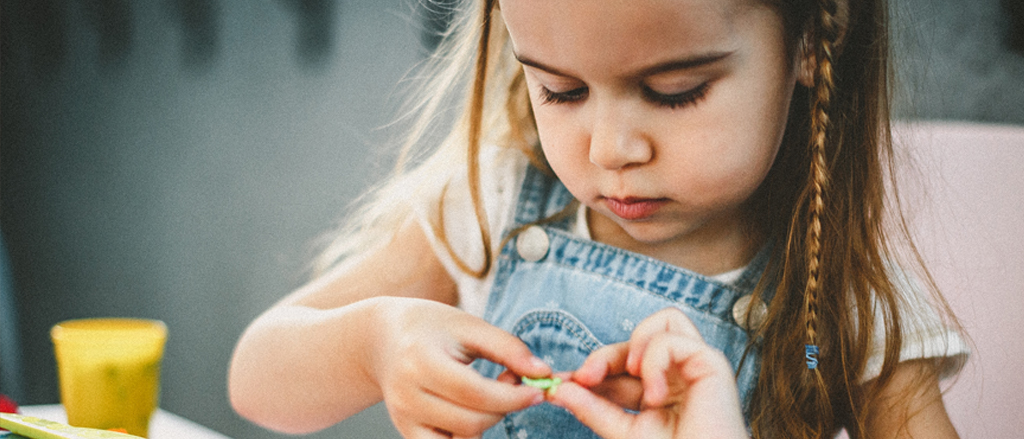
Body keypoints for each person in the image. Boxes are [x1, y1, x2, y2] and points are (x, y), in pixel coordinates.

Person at [228, 0, 969, 437]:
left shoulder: (839, 310)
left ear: (815, 38)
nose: (612, 150)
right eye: (560, 91)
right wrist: (372, 345)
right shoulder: (492, 211)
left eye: (674, 91)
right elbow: (256, 376)